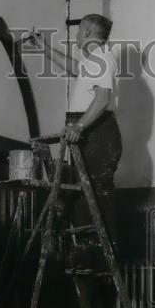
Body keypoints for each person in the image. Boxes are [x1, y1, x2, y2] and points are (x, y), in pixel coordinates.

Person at [33, 14, 121, 268]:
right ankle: (90, 253)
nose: (77, 37)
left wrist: (80, 125)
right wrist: (44, 47)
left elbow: (102, 99)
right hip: (91, 132)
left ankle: (100, 256)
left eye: (80, 31)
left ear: (86, 32)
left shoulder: (102, 57)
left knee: (95, 193)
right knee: (86, 194)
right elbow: (75, 68)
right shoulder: (95, 59)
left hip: (98, 132)